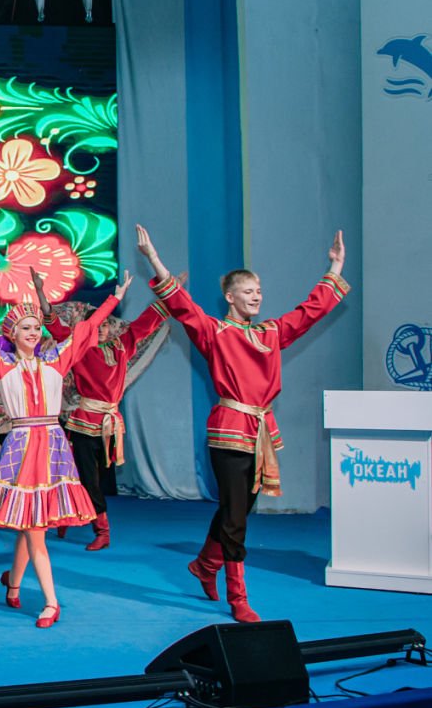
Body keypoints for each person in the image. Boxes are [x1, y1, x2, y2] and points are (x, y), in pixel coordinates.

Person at [136, 225, 348, 622]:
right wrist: (154, 258)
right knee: (235, 515)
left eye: (259, 291)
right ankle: (238, 597)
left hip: (260, 431)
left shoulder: (271, 333)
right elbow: (182, 305)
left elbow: (310, 312)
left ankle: (204, 564)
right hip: (229, 430)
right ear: (230, 297)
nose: (256, 297)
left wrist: (334, 267)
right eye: (248, 291)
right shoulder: (215, 332)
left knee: (239, 508)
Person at [0, 269, 128, 629]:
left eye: (36, 327)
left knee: (31, 523)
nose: (33, 332)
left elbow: (85, 331)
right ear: (12, 333)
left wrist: (113, 299)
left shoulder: (56, 360)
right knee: (33, 526)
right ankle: (51, 602)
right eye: (25, 327)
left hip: (52, 446)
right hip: (23, 446)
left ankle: (14, 583)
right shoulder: (1, 363)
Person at [32, 268, 172, 551]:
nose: (103, 327)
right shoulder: (79, 348)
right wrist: (40, 292)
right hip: (84, 422)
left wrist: (170, 291)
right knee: (85, 476)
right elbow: (54, 325)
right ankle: (102, 530)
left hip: (109, 424)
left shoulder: (121, 347)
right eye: (98, 324)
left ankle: (69, 517)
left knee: (94, 476)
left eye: (106, 324)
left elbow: (146, 323)